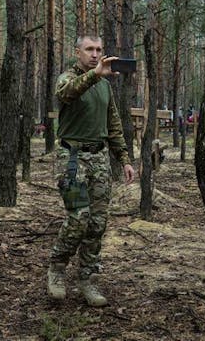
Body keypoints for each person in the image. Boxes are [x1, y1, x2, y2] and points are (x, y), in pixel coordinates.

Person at [47, 35, 135, 307]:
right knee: (78, 217)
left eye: (99, 50)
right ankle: (57, 269)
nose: (95, 54)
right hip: (72, 158)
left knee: (97, 223)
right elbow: (66, 94)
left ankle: (87, 279)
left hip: (99, 159)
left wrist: (124, 158)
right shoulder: (67, 78)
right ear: (78, 52)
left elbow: (114, 124)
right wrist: (95, 75)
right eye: (89, 49)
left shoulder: (105, 86)